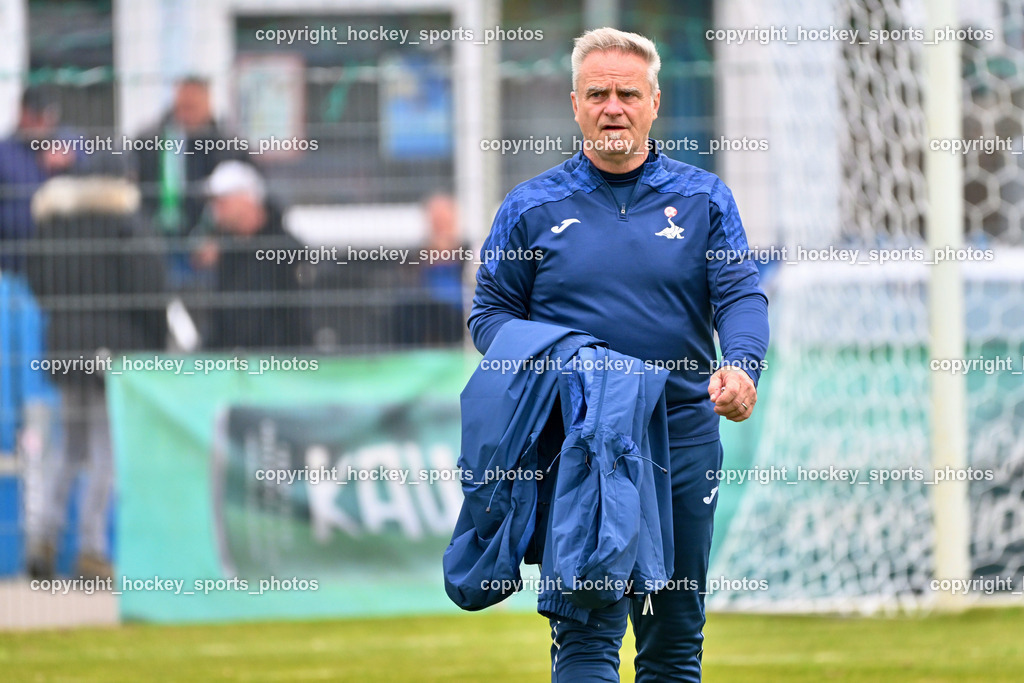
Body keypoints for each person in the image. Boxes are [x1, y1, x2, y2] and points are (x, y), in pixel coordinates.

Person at [467, 28, 770, 681]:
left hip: (682, 439)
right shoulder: (530, 208)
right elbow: (490, 317)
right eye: (597, 93)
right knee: (586, 632)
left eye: (627, 94)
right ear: (575, 104)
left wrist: (742, 366)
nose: (613, 107)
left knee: (673, 637)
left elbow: (741, 298)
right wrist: (567, 361)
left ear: (654, 102)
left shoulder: (704, 200)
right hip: (579, 447)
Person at [24, 175, 167, 580]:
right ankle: (92, 548)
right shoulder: (125, 226)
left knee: (68, 447)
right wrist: (153, 347)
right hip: (114, 354)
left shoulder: (55, 226)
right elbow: (150, 291)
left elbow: (38, 286)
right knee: (106, 451)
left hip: (67, 350)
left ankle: (42, 537)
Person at [132, 77, 244, 288]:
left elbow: (241, 202)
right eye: (182, 107)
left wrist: (219, 240)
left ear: (208, 105)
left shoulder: (227, 146)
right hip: (156, 239)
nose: (186, 115)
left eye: (193, 108)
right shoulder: (149, 141)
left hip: (203, 244)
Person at [194, 160, 310, 351]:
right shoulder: (229, 252)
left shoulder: (287, 251)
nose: (216, 210)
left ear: (247, 199)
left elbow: (298, 322)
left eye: (222, 201)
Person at [0, 87, 76, 275]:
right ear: (23, 113)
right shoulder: (5, 151)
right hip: (14, 263)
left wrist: (71, 160)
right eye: (37, 116)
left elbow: (93, 166)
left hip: (59, 262)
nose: (43, 123)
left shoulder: (67, 142)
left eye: (47, 116)